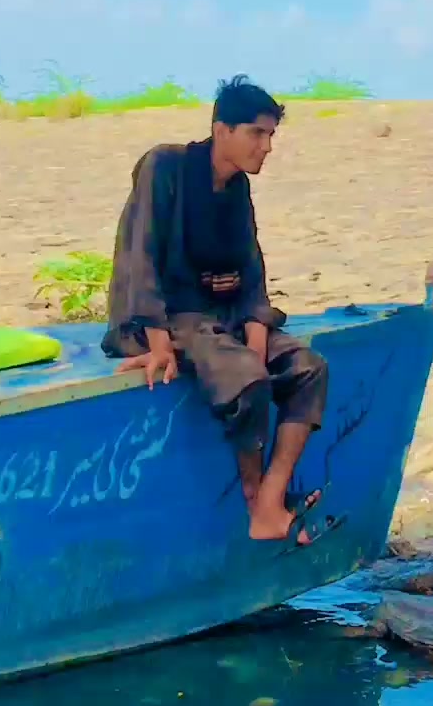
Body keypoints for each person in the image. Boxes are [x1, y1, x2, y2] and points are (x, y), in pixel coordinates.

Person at [102, 76, 329, 543]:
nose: (267, 147)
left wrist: (258, 334)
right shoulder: (164, 166)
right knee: (246, 378)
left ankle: (271, 497)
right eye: (256, 133)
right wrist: (157, 341)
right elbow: (140, 254)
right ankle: (254, 499)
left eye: (271, 135)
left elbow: (251, 267)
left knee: (309, 369)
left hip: (218, 316)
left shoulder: (237, 187)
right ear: (221, 129)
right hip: (163, 319)